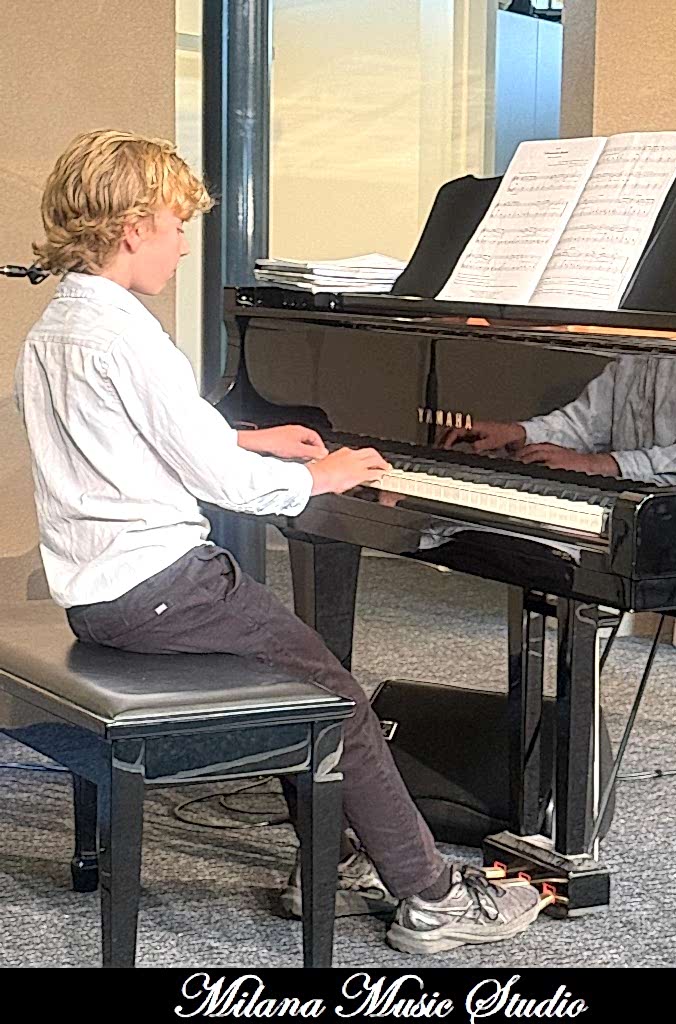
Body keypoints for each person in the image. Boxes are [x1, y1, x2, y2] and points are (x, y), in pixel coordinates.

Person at [14, 129, 543, 956]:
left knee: (304, 673)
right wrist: (322, 475)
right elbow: (227, 485)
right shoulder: (128, 336)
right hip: (166, 589)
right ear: (133, 227)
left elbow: (125, 435)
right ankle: (433, 899)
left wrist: (248, 437)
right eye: (176, 226)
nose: (183, 245)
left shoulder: (61, 325)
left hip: (99, 593)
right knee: (337, 701)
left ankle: (331, 860)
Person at [443, 353, 676, 485]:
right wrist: (519, 432)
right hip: (617, 500)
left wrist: (595, 464)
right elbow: (586, 425)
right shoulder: (635, 357)